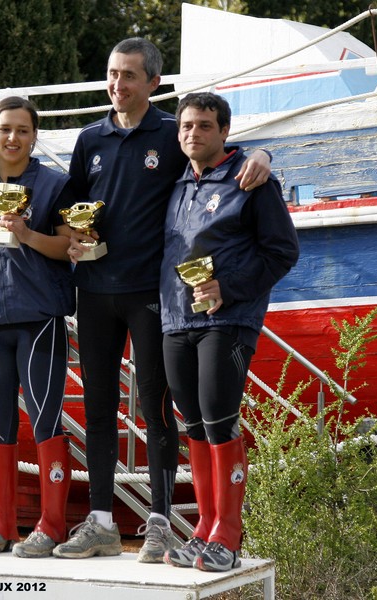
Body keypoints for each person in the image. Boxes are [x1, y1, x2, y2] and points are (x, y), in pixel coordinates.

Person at [53, 38, 273, 562]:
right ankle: (101, 522)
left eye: (129, 75)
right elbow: (69, 209)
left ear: (153, 82)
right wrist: (73, 237)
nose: (118, 84)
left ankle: (159, 523)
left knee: (157, 408)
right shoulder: (89, 139)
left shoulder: (173, 133)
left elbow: (222, 155)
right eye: (112, 73)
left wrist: (265, 155)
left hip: (154, 295)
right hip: (94, 290)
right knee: (99, 408)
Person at [161, 92, 299, 571]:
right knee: (194, 425)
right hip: (176, 318)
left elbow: (282, 251)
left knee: (219, 420)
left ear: (224, 131)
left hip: (227, 320)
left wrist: (228, 287)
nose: (193, 133)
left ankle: (228, 536)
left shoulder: (251, 180)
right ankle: (204, 528)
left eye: (205, 125)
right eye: (186, 126)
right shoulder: (177, 182)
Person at [0, 96, 76, 558]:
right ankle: (3, 523)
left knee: (45, 420)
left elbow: (69, 247)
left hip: (38, 319)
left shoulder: (53, 185)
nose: (13, 138)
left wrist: (26, 234)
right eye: (5, 128)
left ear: (34, 136)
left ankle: (51, 526)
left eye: (23, 130)